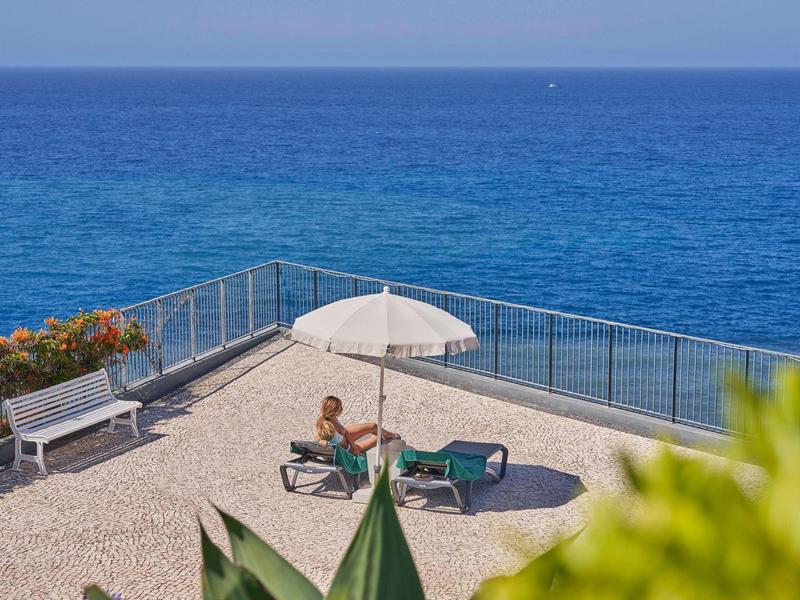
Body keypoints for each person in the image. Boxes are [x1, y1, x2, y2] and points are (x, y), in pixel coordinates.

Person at [315, 395, 400, 455]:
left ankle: (389, 434)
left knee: (372, 426)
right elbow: (316, 438)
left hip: (347, 441)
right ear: (336, 410)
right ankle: (386, 437)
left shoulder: (331, 418)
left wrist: (354, 446)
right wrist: (321, 442)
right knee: (378, 439)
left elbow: (346, 433)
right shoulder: (327, 427)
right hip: (348, 450)